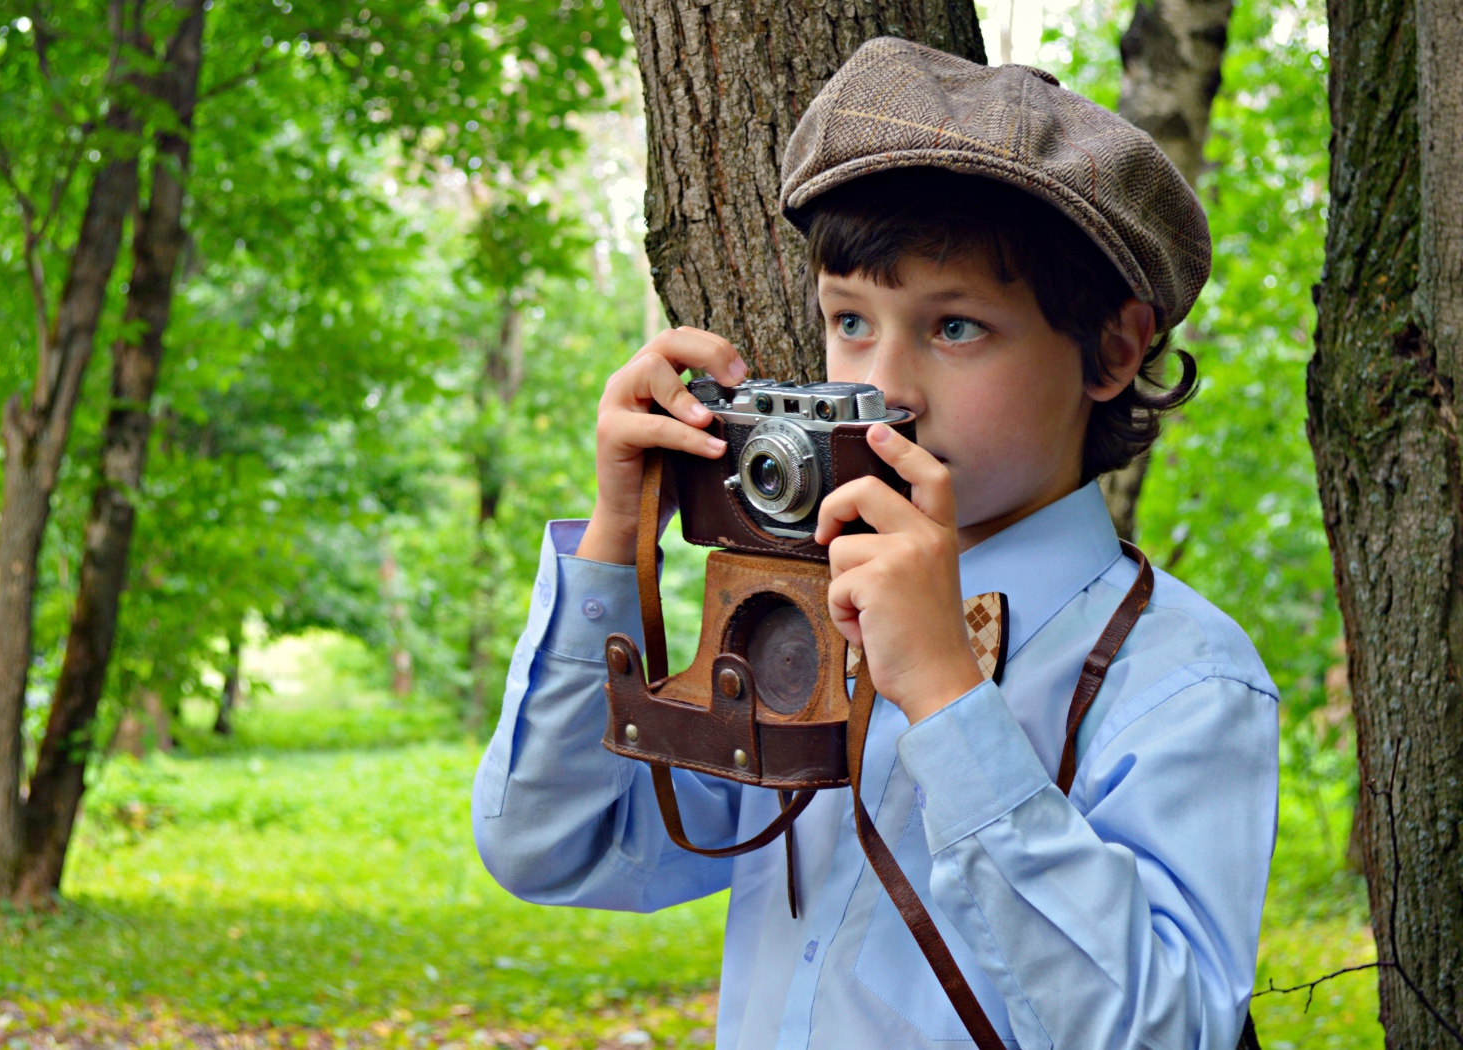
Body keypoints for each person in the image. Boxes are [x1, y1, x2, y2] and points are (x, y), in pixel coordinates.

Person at [472, 38, 1277, 1050]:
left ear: (1113, 350)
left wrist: (947, 697)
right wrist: (615, 541)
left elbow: (1167, 1033)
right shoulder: (794, 622)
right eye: (850, 320)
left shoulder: (1185, 679)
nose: (883, 384)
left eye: (955, 329)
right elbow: (552, 847)